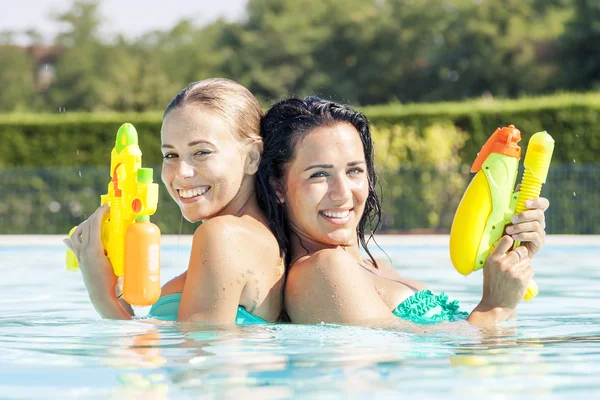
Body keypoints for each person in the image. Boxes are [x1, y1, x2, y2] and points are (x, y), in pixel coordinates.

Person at [255, 96, 549, 328]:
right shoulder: (322, 269)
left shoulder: (375, 267)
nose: (343, 193)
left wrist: (511, 256)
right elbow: (408, 359)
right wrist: (495, 305)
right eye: (319, 174)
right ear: (278, 186)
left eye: (354, 170)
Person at [64, 78, 285, 324]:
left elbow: (193, 355)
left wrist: (102, 296)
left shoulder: (223, 235)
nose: (181, 173)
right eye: (171, 155)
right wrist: (121, 300)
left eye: (201, 152)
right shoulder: (260, 236)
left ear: (253, 157)